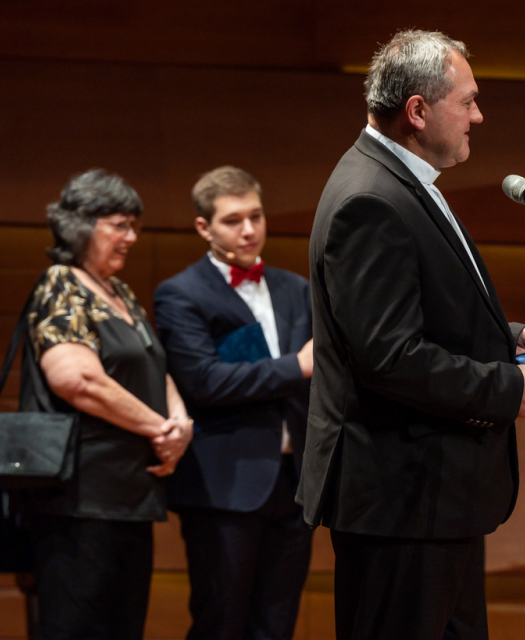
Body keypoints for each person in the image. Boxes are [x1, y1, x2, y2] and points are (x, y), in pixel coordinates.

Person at [298, 29, 525, 640]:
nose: (478, 115)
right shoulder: (370, 199)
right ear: (418, 111)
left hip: (432, 499)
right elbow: (389, 357)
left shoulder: (398, 181)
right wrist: (506, 388)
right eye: (467, 101)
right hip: (401, 499)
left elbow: (418, 315)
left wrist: (507, 338)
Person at [25, 169, 194, 640]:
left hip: (130, 497)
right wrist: (159, 428)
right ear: (80, 226)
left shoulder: (119, 293)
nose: (131, 237)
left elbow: (153, 366)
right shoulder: (62, 284)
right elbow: (77, 380)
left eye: (133, 226)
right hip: (80, 501)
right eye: (120, 225)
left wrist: (180, 422)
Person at [153, 166, 314, 640]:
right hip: (224, 487)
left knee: (276, 625)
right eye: (232, 220)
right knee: (220, 623)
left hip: (294, 482)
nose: (248, 230)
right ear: (204, 227)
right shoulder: (181, 294)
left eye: (256, 216)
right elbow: (203, 381)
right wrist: (296, 367)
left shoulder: (296, 288)